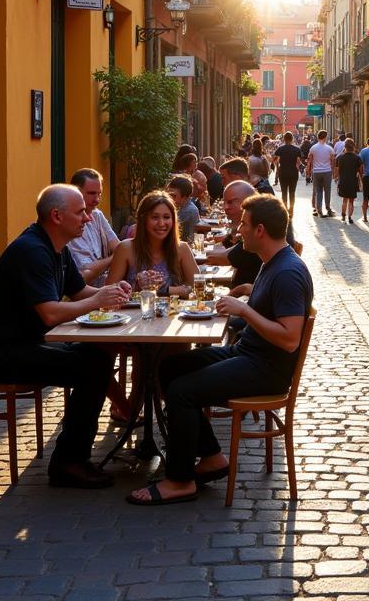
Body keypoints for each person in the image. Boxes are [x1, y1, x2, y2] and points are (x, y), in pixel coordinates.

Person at [127, 194, 314, 506]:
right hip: (249, 354)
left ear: (260, 230)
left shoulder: (287, 272)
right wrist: (253, 294)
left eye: (243, 224)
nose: (238, 230)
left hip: (265, 370)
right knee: (170, 368)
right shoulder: (274, 263)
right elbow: (276, 306)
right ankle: (212, 457)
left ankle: (180, 480)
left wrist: (245, 311)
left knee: (182, 391)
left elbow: (289, 338)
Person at [0, 184, 132, 489]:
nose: (88, 217)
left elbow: (80, 291)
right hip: (0, 354)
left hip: (26, 343)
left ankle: (114, 421)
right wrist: (99, 301)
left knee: (96, 355)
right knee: (92, 367)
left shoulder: (56, 247)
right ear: (57, 216)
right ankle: (69, 462)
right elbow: (50, 314)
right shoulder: (33, 250)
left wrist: (117, 294)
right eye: (81, 211)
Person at [107, 190, 199, 295]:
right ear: (143, 219)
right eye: (155, 217)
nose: (161, 223)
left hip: (173, 311)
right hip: (134, 311)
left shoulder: (182, 248)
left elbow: (198, 286)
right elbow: (108, 292)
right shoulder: (125, 248)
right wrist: (137, 286)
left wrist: (164, 290)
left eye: (166, 217)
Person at [66, 168, 120, 286]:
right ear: (76, 193)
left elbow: (118, 247)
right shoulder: (67, 222)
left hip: (102, 289)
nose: (97, 199)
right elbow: (85, 271)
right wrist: (114, 259)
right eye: (91, 193)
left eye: (99, 193)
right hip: (79, 296)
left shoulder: (97, 214)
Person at [308, 130, 336, 217]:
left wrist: (309, 171)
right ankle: (328, 209)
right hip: (327, 171)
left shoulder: (313, 148)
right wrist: (333, 171)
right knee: (327, 190)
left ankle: (319, 210)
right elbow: (333, 161)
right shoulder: (329, 148)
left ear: (318, 137)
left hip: (316, 171)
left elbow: (310, 160)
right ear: (325, 137)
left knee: (318, 191)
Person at [273, 131, 303, 215]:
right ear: (292, 139)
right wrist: (297, 165)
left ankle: (285, 208)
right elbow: (300, 161)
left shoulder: (280, 148)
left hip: (283, 172)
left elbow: (274, 159)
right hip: (293, 172)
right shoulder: (297, 149)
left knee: (284, 191)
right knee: (292, 192)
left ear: (284, 139)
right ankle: (291, 209)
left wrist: (277, 165)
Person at [166, 174, 200, 244]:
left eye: (173, 196)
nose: (169, 198)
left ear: (185, 197)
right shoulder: (182, 207)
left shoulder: (188, 211)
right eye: (168, 195)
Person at [336, 139, 363, 223]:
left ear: (345, 147)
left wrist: (337, 179)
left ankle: (343, 216)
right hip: (352, 181)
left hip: (343, 180)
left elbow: (338, 170)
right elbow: (360, 171)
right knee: (351, 200)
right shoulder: (357, 158)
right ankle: (350, 217)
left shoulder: (340, 157)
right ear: (353, 147)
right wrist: (361, 180)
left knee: (344, 199)